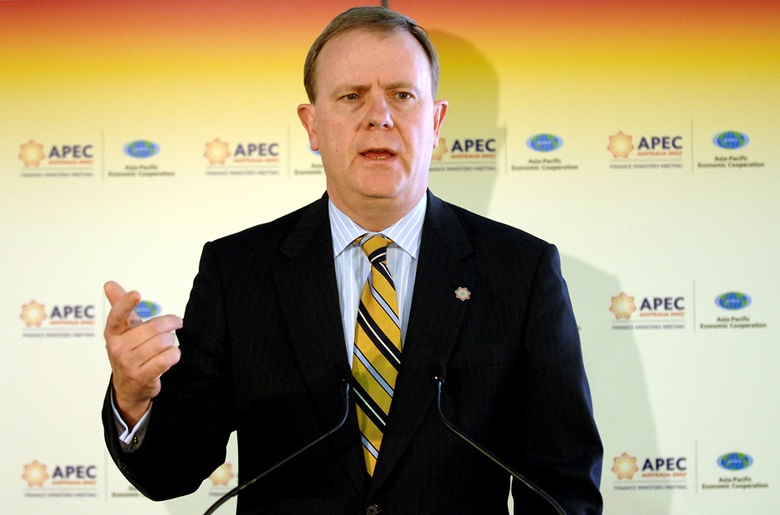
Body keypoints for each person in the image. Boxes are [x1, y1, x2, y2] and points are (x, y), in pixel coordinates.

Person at [102, 6, 603, 514]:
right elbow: (174, 470)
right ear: (313, 124)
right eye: (351, 96)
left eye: (403, 95)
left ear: (435, 121)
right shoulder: (237, 272)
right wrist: (134, 400)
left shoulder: (520, 271)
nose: (379, 116)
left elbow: (562, 486)